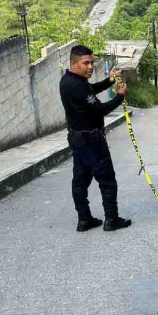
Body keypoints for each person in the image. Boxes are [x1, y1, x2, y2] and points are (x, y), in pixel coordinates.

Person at [59, 45, 132, 232]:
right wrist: (120, 97)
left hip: (77, 138)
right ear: (73, 63)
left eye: (91, 62)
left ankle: (84, 220)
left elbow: (91, 89)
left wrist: (108, 81)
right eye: (86, 63)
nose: (90, 66)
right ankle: (112, 219)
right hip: (91, 140)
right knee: (107, 179)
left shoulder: (70, 80)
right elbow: (99, 109)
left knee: (80, 180)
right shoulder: (76, 85)